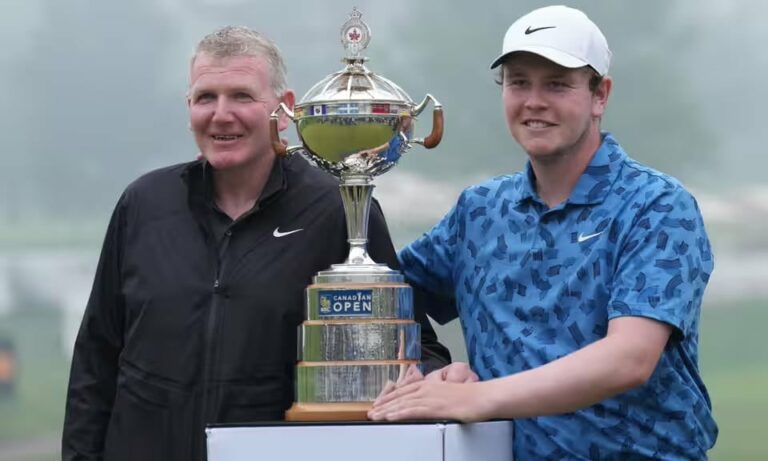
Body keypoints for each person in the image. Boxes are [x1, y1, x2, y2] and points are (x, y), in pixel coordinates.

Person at [62, 26, 450, 461]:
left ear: (283, 111)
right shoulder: (144, 204)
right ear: (189, 107)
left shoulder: (336, 209)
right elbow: (96, 361)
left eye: (242, 96)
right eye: (206, 97)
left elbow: (413, 348)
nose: (221, 114)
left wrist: (432, 378)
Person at [369, 5, 717, 460]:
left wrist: (476, 398)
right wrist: (436, 369)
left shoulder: (657, 205)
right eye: (518, 83)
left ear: (600, 95)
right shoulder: (479, 211)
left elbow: (628, 359)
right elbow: (388, 301)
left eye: (556, 83)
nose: (534, 101)